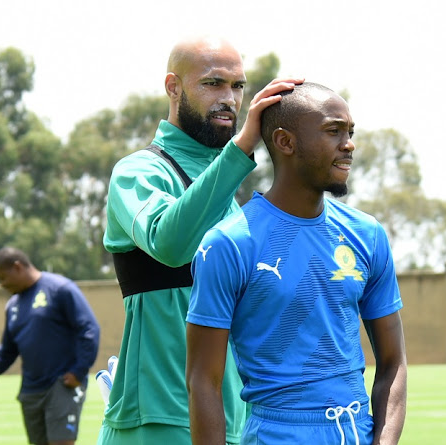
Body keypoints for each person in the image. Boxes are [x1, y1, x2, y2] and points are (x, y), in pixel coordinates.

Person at [98, 35, 301, 445]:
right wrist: (243, 146)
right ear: (173, 87)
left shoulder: (228, 194)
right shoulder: (137, 172)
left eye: (238, 86)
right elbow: (170, 244)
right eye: (214, 83)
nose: (230, 98)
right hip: (157, 420)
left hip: (236, 421)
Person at [186, 82, 408, 445]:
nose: (348, 144)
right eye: (333, 131)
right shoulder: (229, 243)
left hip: (357, 433)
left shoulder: (366, 234)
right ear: (286, 142)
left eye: (350, 133)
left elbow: (393, 363)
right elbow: (203, 382)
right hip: (275, 434)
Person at [0, 247, 100, 445]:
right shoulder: (13, 306)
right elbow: (5, 355)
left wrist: (79, 371)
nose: (1, 284)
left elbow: (89, 329)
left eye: (3, 277)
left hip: (61, 385)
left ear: (17, 267)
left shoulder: (60, 289)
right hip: (31, 391)